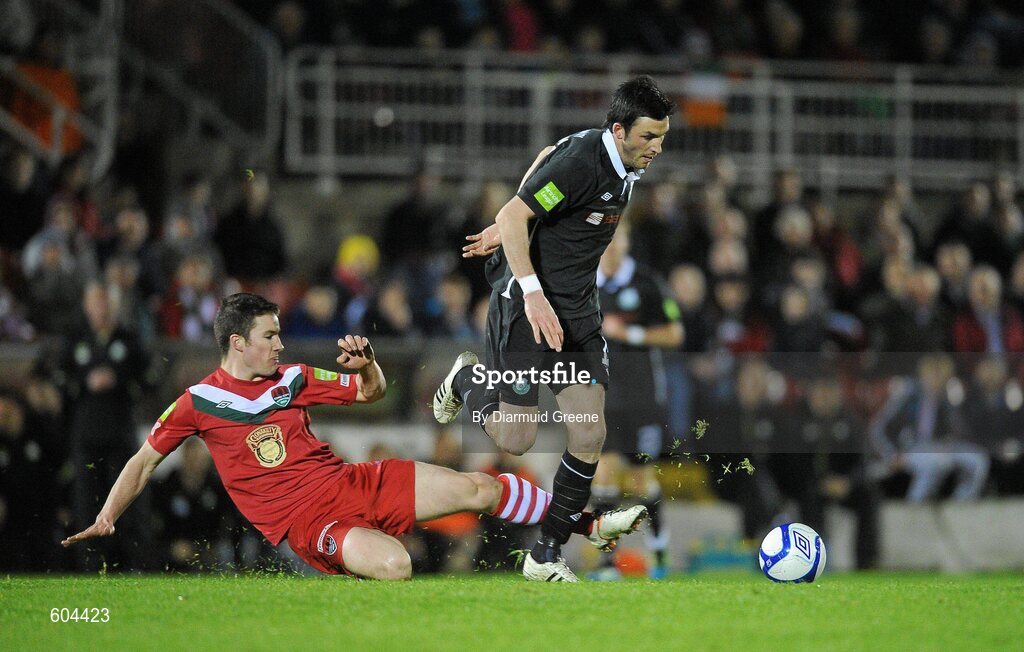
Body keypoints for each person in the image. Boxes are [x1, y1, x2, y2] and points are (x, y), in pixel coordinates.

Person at [62, 293, 645, 580]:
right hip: (311, 524)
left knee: (481, 489)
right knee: (397, 569)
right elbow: (142, 462)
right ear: (237, 343)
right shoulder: (199, 403)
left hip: (354, 481)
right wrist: (109, 515)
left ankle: (589, 522)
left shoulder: (292, 379)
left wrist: (365, 364)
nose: (280, 345)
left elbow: (372, 392)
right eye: (269, 336)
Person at [434, 75, 673, 581]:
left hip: (578, 313)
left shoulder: (622, 160)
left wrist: (516, 213)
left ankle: (545, 554)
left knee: (590, 431)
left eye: (662, 137)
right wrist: (526, 271)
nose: (657, 147)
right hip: (528, 308)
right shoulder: (588, 159)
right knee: (516, 439)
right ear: (619, 129)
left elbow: (545, 156)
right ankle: (465, 380)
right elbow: (519, 205)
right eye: (649, 136)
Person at [590, 222, 683, 580]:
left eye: (619, 238)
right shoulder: (584, 283)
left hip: (643, 398)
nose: (612, 246)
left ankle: (658, 548)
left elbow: (675, 333)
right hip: (604, 398)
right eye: (607, 239)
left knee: (642, 479)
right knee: (605, 476)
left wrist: (630, 332)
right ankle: (605, 563)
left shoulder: (647, 283)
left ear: (628, 241)